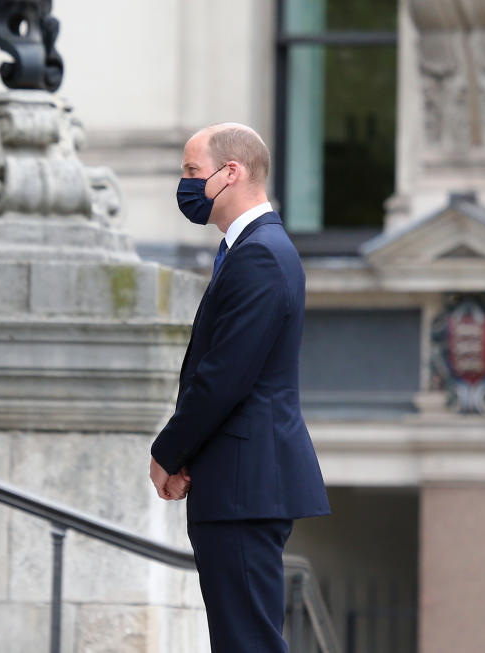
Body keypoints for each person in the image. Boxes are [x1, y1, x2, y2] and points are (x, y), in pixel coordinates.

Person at [149, 123, 330, 652]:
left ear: (231, 172)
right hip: (238, 483)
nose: (184, 185)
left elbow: (224, 376)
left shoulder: (260, 254)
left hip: (243, 486)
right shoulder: (251, 249)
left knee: (247, 643)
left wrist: (168, 451)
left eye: (191, 172)